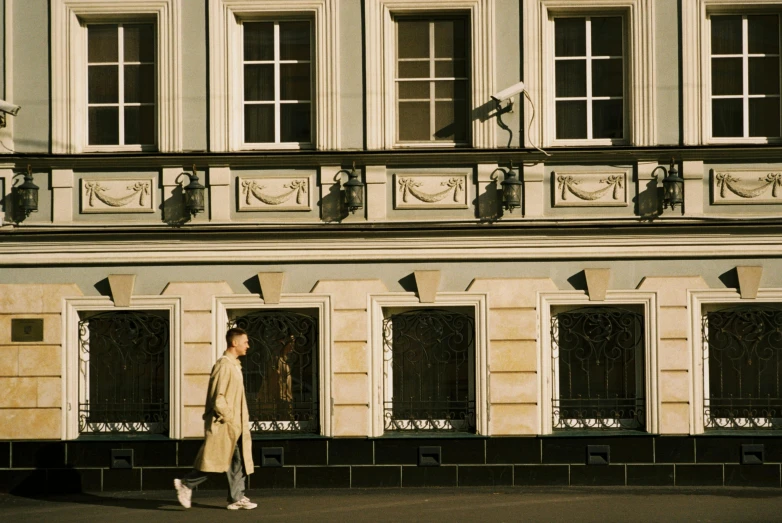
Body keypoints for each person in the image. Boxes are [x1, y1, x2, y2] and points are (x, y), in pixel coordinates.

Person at [174, 327, 256, 510]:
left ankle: (237, 497)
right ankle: (186, 484)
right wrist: (231, 417)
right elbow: (217, 397)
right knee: (215, 461)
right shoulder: (224, 366)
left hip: (234, 424)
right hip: (225, 424)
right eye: (245, 342)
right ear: (234, 343)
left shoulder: (234, 365)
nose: (248, 346)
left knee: (237, 460)